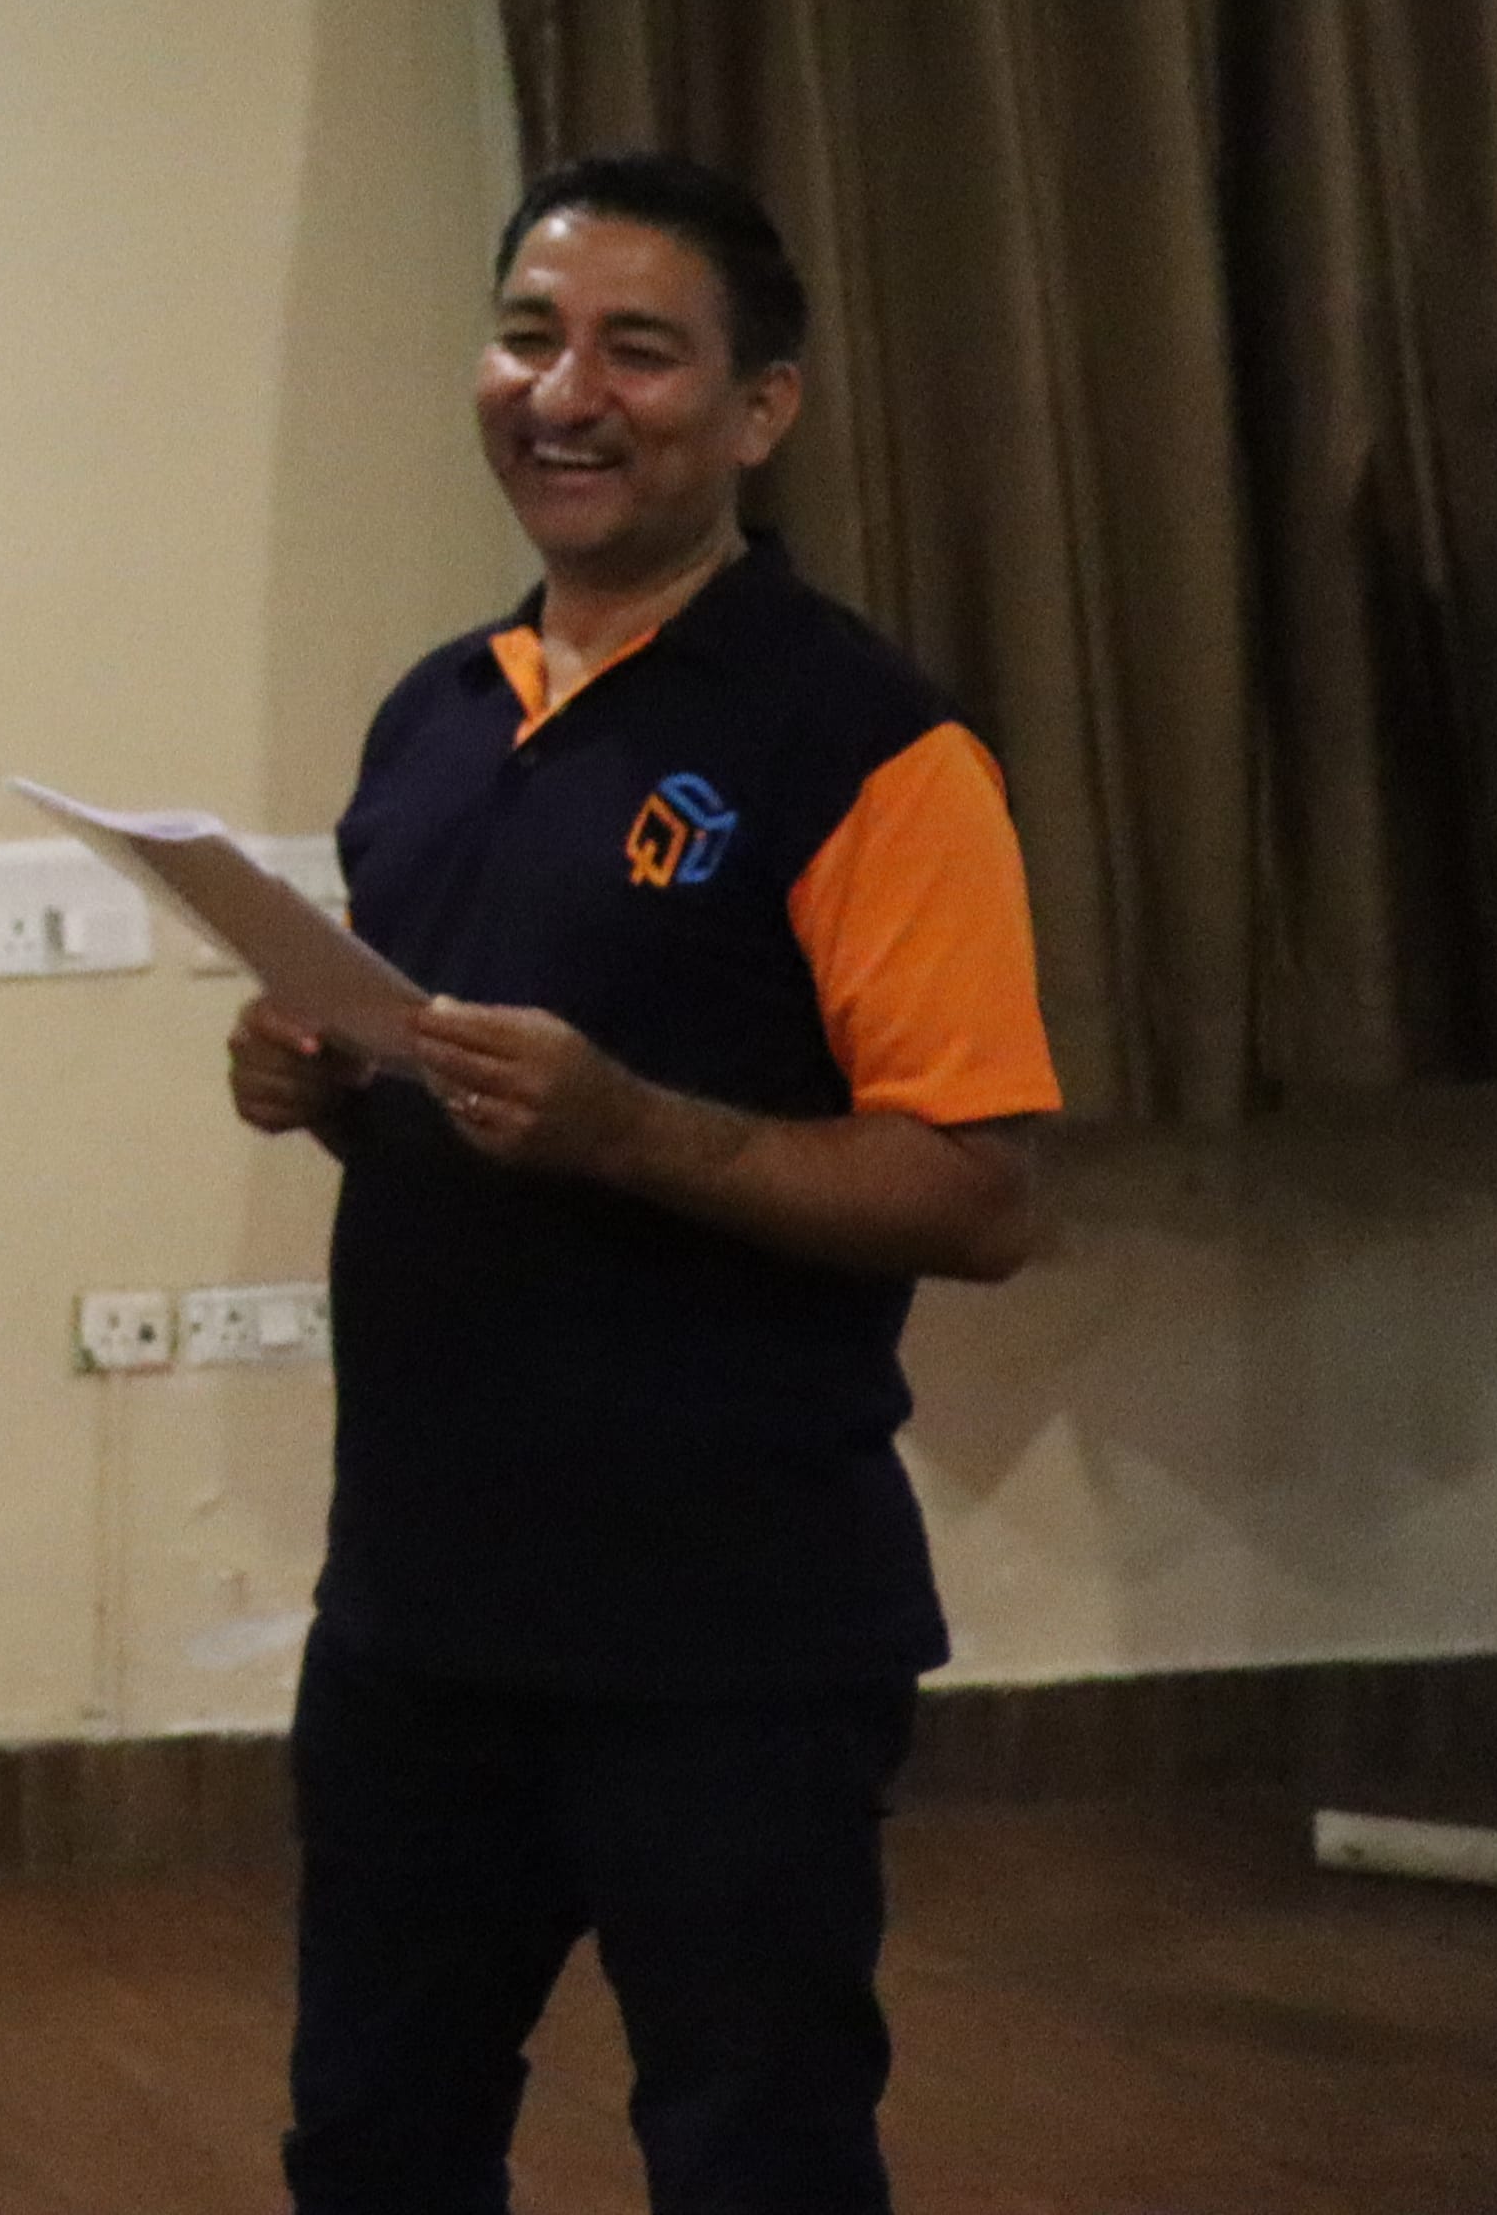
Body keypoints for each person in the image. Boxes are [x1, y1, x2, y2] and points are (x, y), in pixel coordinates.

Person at [231, 153, 1060, 2215]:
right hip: (417, 1609)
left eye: (638, 350)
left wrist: (629, 1126)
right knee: (373, 2140)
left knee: (753, 2149)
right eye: (529, 335)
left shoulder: (868, 744)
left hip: (730, 1635)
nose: (564, 392)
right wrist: (325, 1084)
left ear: (761, 408)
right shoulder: (435, 716)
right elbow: (458, 1111)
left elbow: (979, 1194)